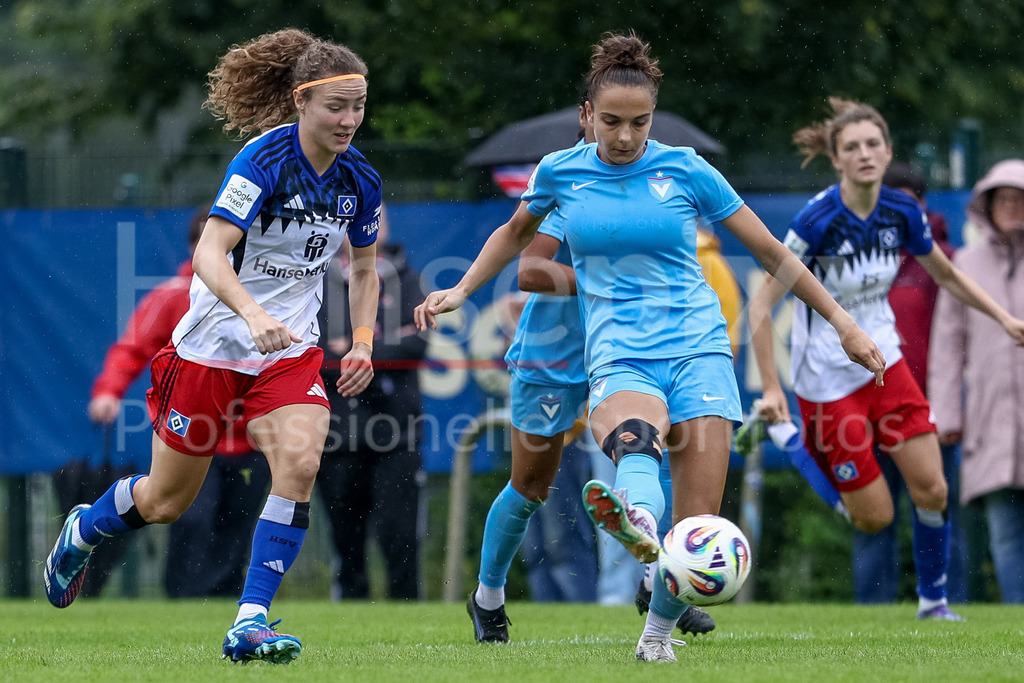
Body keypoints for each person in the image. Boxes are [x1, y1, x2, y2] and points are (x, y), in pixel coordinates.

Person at [416, 32, 886, 662]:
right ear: (587, 115)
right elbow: (518, 246)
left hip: (698, 343)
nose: (625, 136)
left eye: (639, 123)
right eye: (611, 122)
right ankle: (523, 581)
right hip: (591, 348)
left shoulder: (685, 169)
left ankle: (655, 629)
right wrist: (462, 290)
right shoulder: (561, 174)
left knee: (697, 521)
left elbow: (772, 252)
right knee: (555, 473)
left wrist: (842, 323)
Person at [42, 28, 382, 665]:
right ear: (301, 100)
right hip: (211, 350)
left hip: (289, 352)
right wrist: (252, 313)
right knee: (166, 501)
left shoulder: (360, 177)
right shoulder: (263, 159)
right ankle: (85, 527)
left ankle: (249, 623)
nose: (349, 120)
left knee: (301, 463)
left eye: (358, 106)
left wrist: (361, 341)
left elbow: (364, 269)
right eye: (336, 106)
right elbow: (209, 253)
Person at [748, 97, 1024, 622]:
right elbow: (760, 307)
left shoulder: (902, 211)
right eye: (852, 147)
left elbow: (947, 274)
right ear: (837, 159)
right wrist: (773, 389)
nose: (865, 154)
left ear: (888, 150)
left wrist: (1004, 319)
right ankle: (786, 435)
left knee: (934, 489)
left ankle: (933, 604)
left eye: (873, 144)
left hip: (886, 365)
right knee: (874, 518)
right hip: (827, 383)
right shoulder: (817, 220)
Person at [79, 203, 273, 599]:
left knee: (237, 526)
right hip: (197, 433)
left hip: (248, 438)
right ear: (197, 248)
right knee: (191, 518)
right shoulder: (172, 296)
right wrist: (108, 392)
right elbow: (132, 348)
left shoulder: (265, 298)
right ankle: (183, 597)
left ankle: (225, 604)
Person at [848, 162, 966, 604]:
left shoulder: (944, 260)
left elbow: (958, 340)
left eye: (906, 202)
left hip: (927, 411)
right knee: (873, 520)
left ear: (922, 206)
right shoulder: (852, 258)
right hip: (866, 410)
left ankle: (946, 606)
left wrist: (947, 405)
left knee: (936, 507)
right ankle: (871, 615)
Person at [317, 205, 427, 601]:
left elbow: (417, 342)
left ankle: (409, 617)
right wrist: (378, 347)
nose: (371, 227)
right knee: (346, 543)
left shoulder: (407, 279)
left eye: (379, 219)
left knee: (401, 537)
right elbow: (313, 348)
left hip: (396, 432)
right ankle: (351, 613)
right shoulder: (320, 281)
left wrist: (355, 351)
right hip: (337, 434)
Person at [929, 159, 1024, 603]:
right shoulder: (965, 264)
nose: (1011, 206)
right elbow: (948, 346)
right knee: (1005, 532)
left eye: (1019, 198)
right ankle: (1017, 619)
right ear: (986, 207)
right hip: (991, 420)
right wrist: (946, 414)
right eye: (1002, 199)